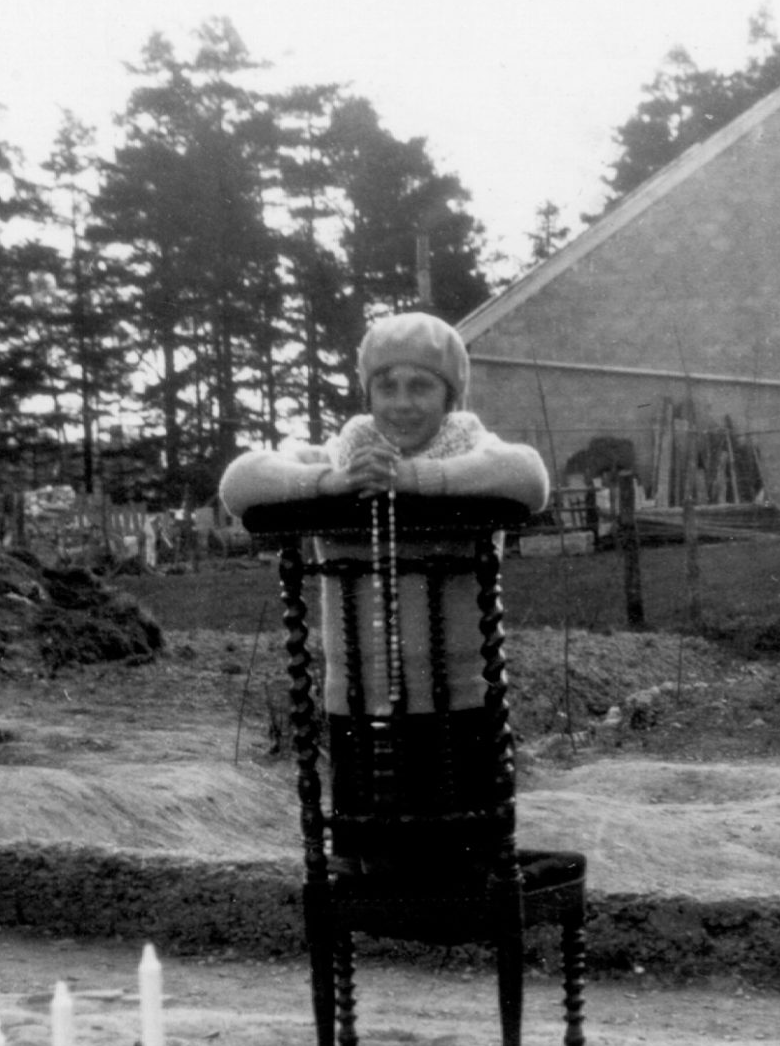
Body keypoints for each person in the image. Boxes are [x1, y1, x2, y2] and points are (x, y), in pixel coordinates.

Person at [219, 312, 549, 872]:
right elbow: (238, 483)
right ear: (367, 394)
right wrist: (335, 483)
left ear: (450, 395)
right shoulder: (346, 454)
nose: (401, 403)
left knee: (462, 868)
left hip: (463, 709)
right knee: (370, 867)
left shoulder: (473, 451)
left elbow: (530, 477)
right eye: (386, 386)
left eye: (421, 386)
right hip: (357, 706)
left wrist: (410, 479)